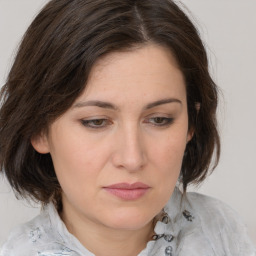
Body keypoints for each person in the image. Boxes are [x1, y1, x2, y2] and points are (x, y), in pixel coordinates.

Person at [0, 0, 255, 255]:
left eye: (159, 119)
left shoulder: (221, 231)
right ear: (38, 128)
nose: (132, 159)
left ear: (191, 123)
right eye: (96, 122)